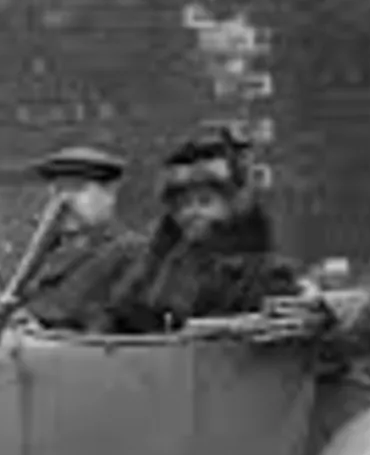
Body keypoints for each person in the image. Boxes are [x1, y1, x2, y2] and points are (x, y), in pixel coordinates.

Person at [107, 126, 301, 334]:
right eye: (182, 204)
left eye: (205, 201)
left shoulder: (261, 275)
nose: (192, 212)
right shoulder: (156, 265)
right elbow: (121, 314)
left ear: (232, 206)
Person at [17, 145, 148, 332]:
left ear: (110, 193)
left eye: (77, 189)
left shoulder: (131, 251)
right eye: (57, 191)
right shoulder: (41, 255)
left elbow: (76, 316)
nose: (64, 201)